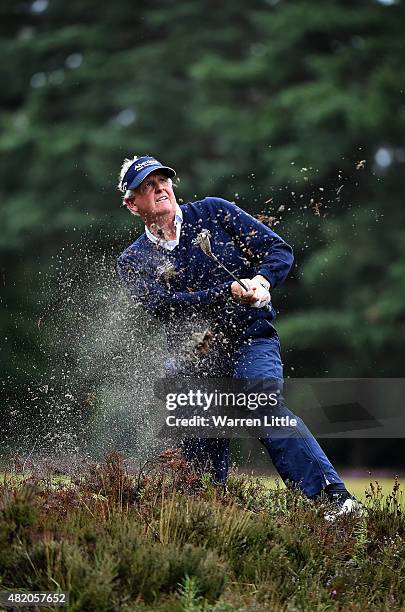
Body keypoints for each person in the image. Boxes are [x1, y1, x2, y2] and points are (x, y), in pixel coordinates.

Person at [116, 154, 363, 520]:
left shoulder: (213, 212)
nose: (160, 189)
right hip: (195, 356)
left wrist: (262, 282)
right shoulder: (133, 259)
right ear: (132, 203)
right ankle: (213, 519)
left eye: (162, 181)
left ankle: (336, 502)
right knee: (202, 438)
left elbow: (278, 251)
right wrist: (226, 292)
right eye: (147, 187)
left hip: (251, 336)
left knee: (262, 406)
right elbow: (161, 306)